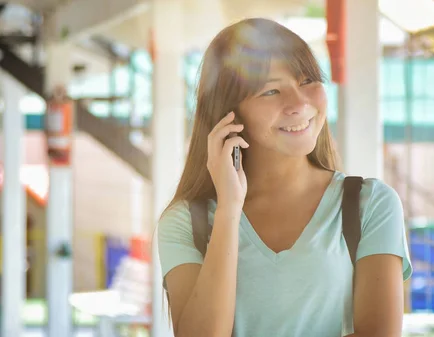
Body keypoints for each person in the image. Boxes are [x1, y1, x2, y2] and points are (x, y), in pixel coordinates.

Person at [157, 18, 412, 337]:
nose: (299, 104)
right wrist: (228, 210)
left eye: (307, 81)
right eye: (271, 90)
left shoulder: (370, 205)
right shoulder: (185, 223)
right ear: (229, 114)